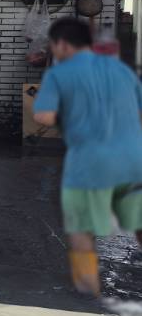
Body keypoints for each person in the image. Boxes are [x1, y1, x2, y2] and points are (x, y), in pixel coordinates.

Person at [31, 16, 142, 295]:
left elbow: (43, 115)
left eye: (53, 45)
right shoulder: (120, 71)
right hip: (133, 159)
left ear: (63, 45)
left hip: (90, 163)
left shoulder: (59, 74)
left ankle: (87, 295)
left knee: (81, 231)